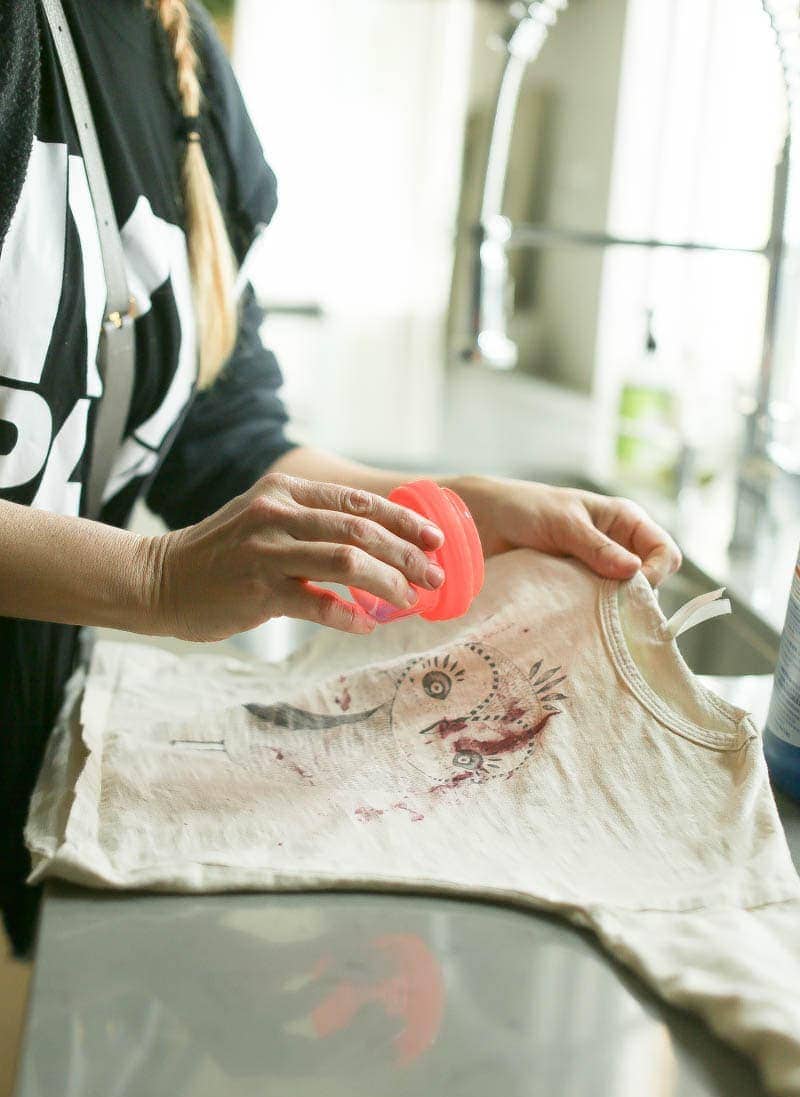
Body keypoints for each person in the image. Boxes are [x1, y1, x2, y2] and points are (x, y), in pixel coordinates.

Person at [0, 0, 681, 955]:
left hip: (30, 752)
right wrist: (153, 579)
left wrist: (460, 510)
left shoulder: (175, 56)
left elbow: (223, 436)